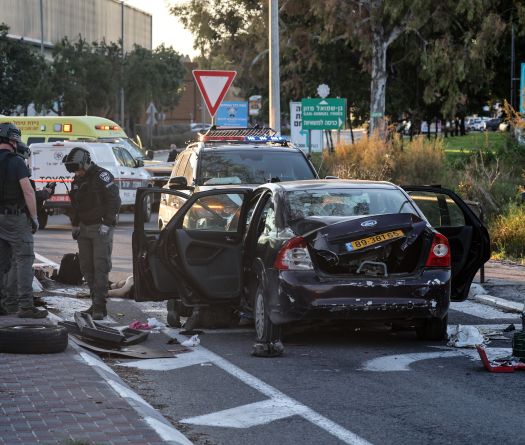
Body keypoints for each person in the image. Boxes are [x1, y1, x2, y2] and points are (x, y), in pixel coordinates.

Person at [63, 147, 121, 320]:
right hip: (84, 228)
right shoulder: (77, 179)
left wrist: (108, 222)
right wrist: (75, 225)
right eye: (73, 169)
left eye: (77, 168)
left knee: (100, 268)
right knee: (86, 268)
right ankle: (94, 302)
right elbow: (75, 204)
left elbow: (114, 200)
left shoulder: (102, 176)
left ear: (86, 163)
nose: (76, 173)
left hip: (101, 228)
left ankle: (99, 307)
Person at [0, 122, 47, 318]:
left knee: (3, 263)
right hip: (15, 218)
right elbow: (28, 191)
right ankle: (26, 306)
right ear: (13, 139)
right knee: (24, 259)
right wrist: (34, 217)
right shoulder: (16, 161)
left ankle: (5, 304)